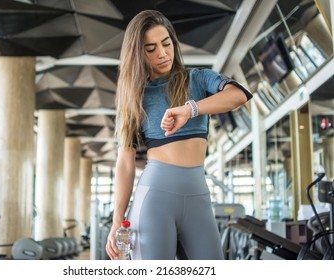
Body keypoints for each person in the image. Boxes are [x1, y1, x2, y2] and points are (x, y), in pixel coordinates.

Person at [105, 9, 253, 260]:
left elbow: (238, 95)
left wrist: (190, 109)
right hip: (154, 199)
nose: (162, 54)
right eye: (150, 48)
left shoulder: (198, 78)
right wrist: (117, 219)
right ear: (138, 53)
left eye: (166, 44)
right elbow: (125, 162)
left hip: (199, 196)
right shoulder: (134, 97)